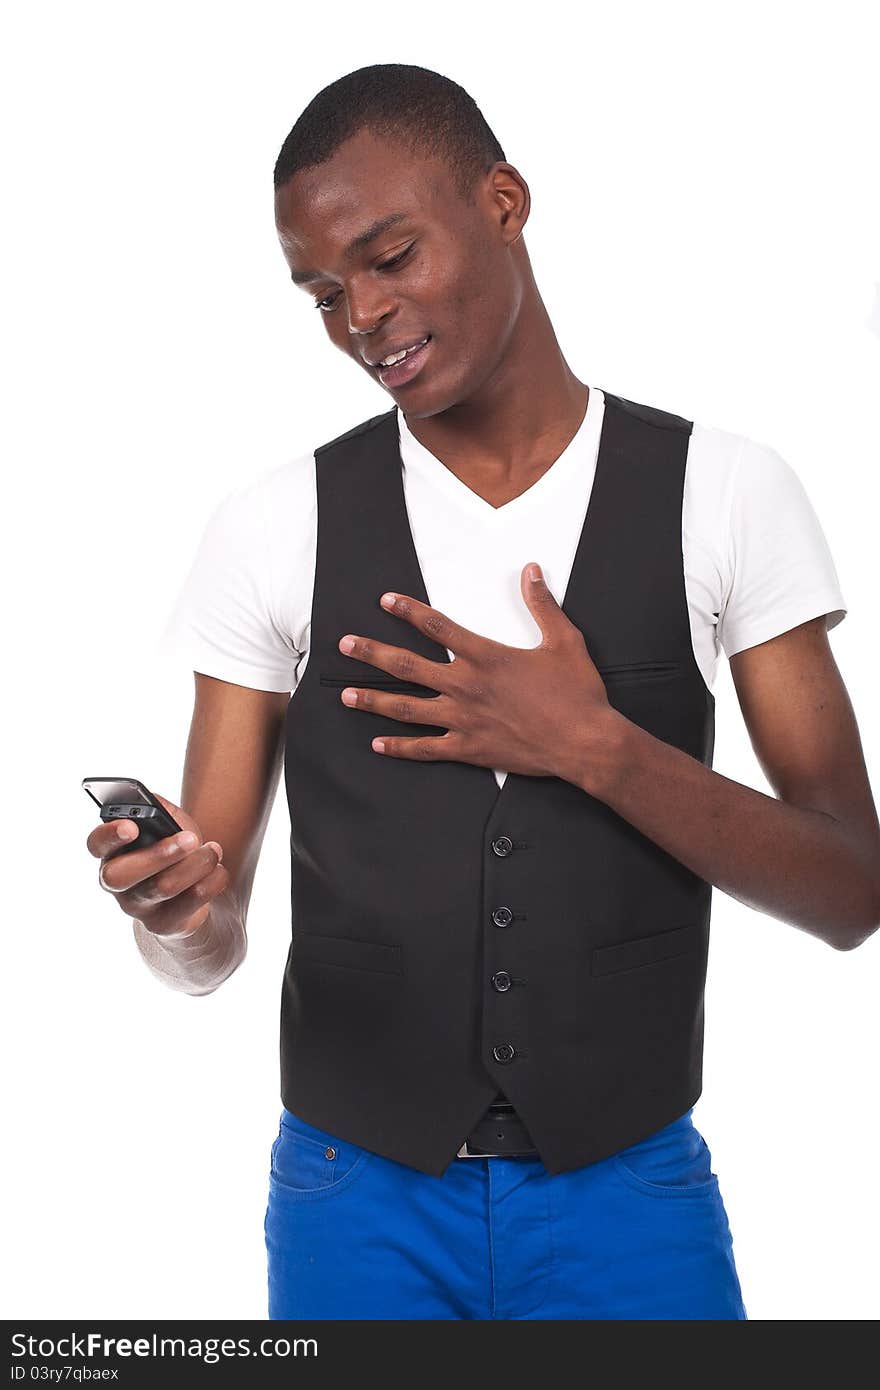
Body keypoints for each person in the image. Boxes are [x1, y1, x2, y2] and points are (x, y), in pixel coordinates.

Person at [86, 64, 879, 1321]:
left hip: (634, 1194)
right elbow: (208, 943)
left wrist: (597, 746)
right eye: (324, 291)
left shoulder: (724, 491)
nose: (362, 316)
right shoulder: (270, 524)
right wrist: (178, 915)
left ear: (504, 202)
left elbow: (851, 892)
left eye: (391, 255)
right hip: (354, 1200)